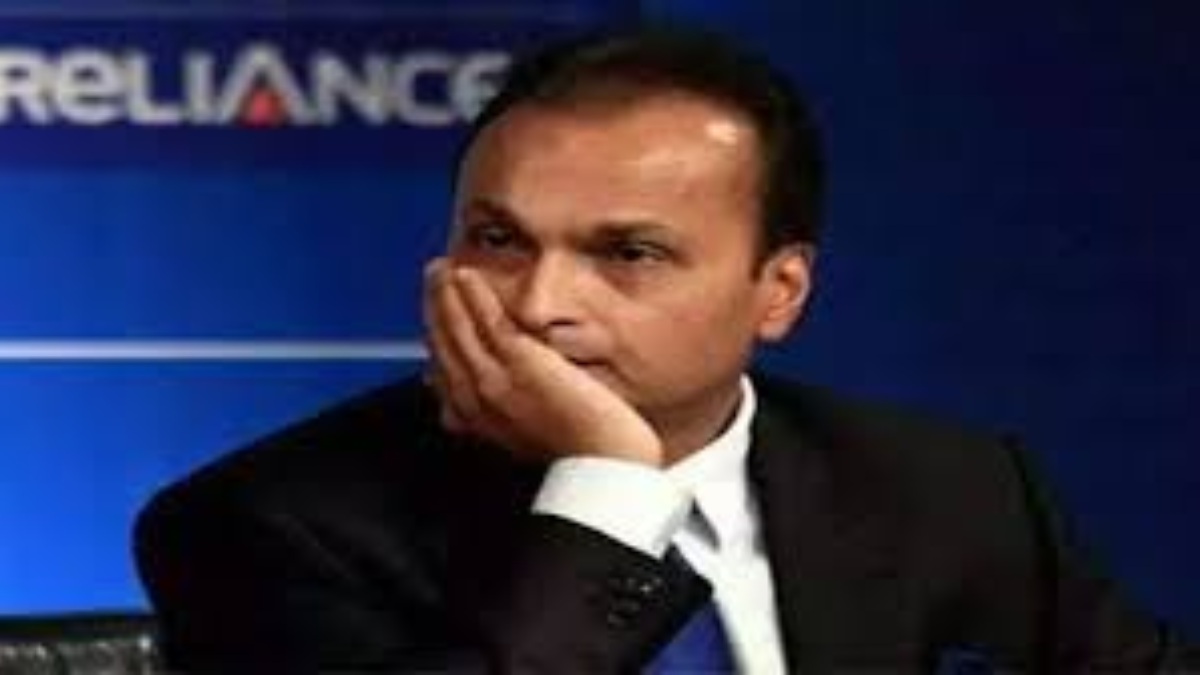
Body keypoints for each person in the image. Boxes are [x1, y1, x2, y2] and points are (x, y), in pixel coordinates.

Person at [134, 25, 1196, 673]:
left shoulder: (953, 490)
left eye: (628, 253)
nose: (540, 303)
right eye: (498, 240)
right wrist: (609, 491)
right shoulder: (265, 526)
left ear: (779, 292)